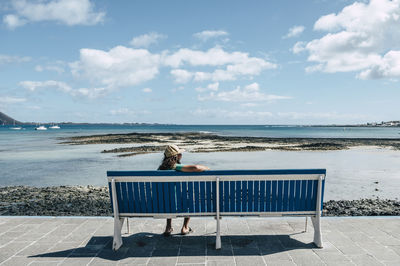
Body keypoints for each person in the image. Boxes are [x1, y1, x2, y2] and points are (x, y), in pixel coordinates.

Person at [158, 144, 210, 236]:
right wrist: (207, 168)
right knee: (189, 198)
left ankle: (168, 227)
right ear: (176, 156)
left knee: (168, 198)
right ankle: (185, 227)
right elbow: (196, 168)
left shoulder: (159, 169)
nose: (181, 156)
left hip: (162, 205)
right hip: (177, 205)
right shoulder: (175, 167)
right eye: (180, 154)